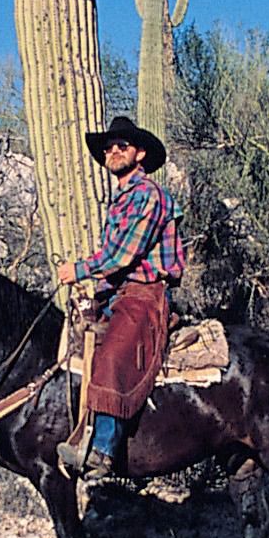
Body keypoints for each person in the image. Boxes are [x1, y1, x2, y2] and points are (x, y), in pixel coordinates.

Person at [53, 115, 186, 478]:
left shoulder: (149, 195)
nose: (113, 151)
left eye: (122, 145)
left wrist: (77, 270)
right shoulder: (120, 200)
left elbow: (122, 255)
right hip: (116, 292)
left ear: (140, 153)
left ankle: (103, 450)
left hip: (143, 294)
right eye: (108, 147)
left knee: (111, 355)